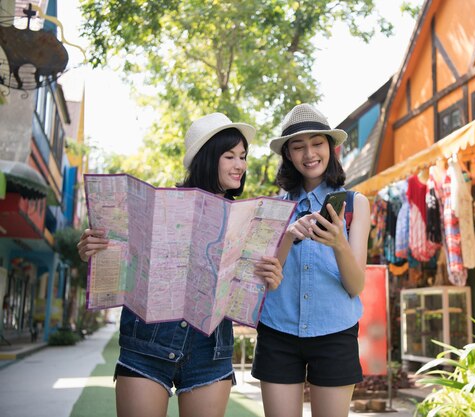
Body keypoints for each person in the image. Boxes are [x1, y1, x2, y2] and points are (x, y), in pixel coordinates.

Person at [77, 113, 284, 417]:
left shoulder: (248, 221)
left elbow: (244, 290)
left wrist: (270, 278)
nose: (240, 164)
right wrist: (92, 250)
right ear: (206, 158)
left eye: (243, 156)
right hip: (146, 343)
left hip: (211, 349)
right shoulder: (155, 206)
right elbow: (123, 265)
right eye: (230, 156)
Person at [251, 103, 371, 417]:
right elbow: (266, 279)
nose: (309, 154)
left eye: (317, 143)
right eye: (298, 147)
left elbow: (356, 285)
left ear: (331, 148)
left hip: (335, 333)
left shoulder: (355, 204)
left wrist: (338, 242)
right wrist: (288, 235)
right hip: (278, 332)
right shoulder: (272, 209)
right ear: (288, 154)